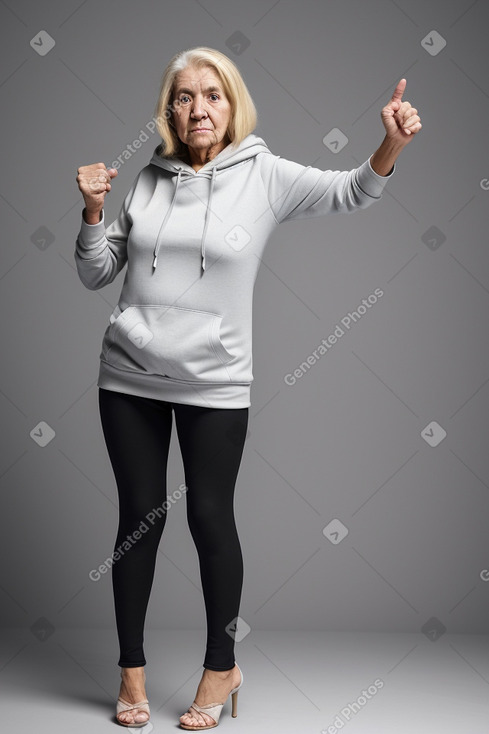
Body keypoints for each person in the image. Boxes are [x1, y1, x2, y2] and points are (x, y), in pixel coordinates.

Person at [74, 46, 422, 729]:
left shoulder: (264, 175)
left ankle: (219, 666)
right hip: (127, 380)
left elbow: (351, 189)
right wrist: (91, 212)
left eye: (212, 94)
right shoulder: (146, 179)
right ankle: (131, 672)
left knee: (209, 519)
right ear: (169, 109)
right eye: (183, 96)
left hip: (214, 384)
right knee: (138, 520)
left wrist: (389, 141)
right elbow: (96, 272)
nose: (197, 107)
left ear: (232, 105)